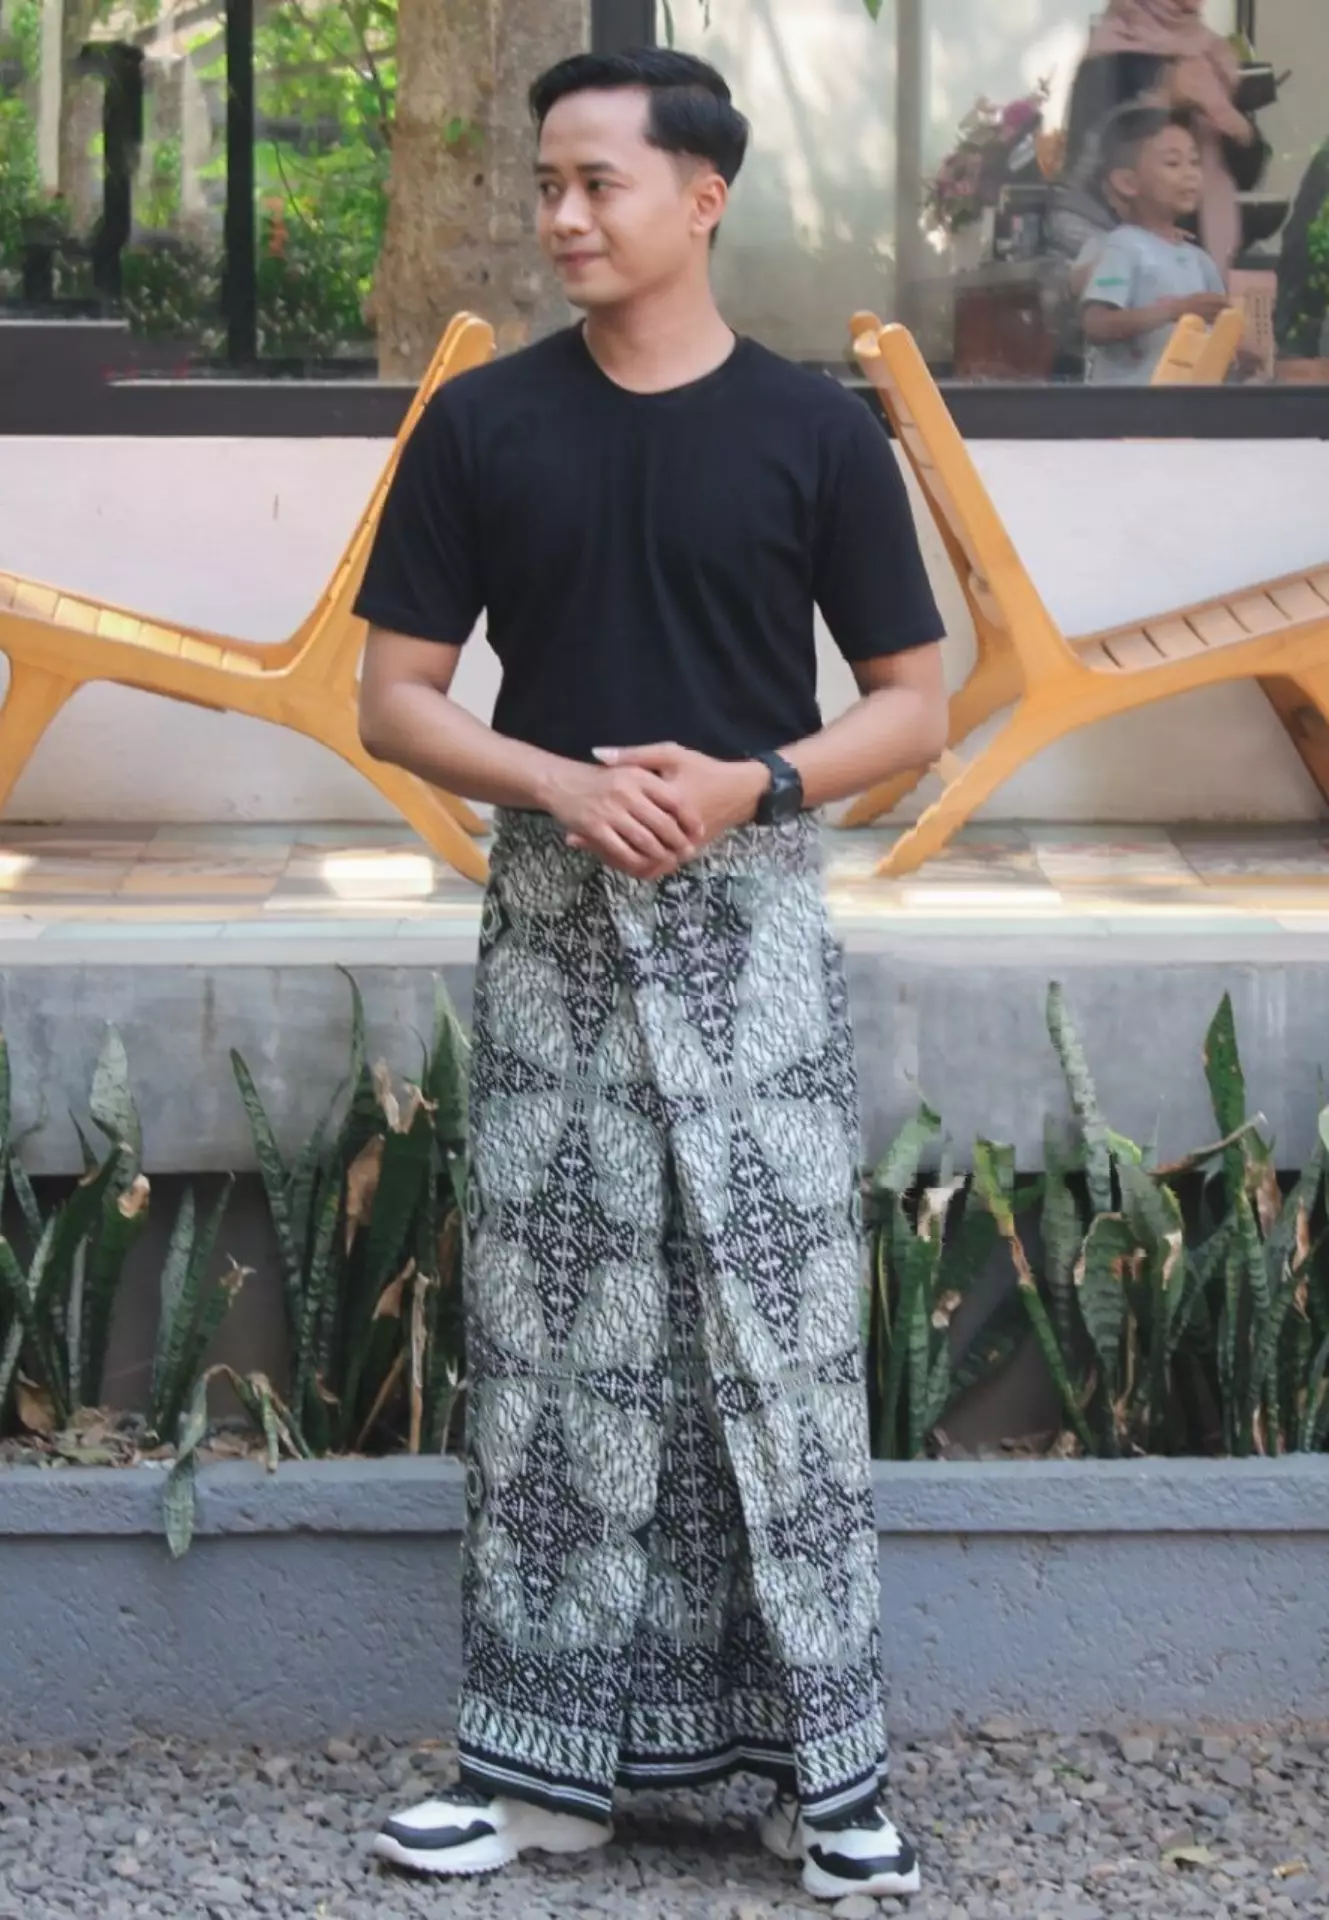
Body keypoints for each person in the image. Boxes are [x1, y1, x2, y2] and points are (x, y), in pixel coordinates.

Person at [352, 44, 948, 1908]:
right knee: (557, 1360)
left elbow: (911, 707)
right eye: (545, 181)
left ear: (702, 198)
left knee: (777, 1348)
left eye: (595, 182)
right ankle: (531, 1781)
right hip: (552, 918)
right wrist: (558, 784)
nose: (560, 216)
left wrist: (753, 782)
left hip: (752, 918)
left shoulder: (814, 432)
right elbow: (394, 700)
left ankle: (820, 1783)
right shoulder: (480, 425)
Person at [1055, 0, 1267, 277]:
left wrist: (1234, 124)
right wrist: (1162, 98)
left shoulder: (1210, 54)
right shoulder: (1111, 56)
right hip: (1121, 251)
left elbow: (1245, 175)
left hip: (1200, 251)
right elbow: (1088, 161)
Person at [1081, 107, 1230, 384]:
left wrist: (1240, 349)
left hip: (1187, 404)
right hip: (1132, 406)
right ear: (1127, 182)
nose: (1191, 174)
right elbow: (1096, 324)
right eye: (1173, 163)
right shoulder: (1123, 247)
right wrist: (1174, 311)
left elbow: (1220, 326)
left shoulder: (1199, 259)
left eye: (1194, 162)